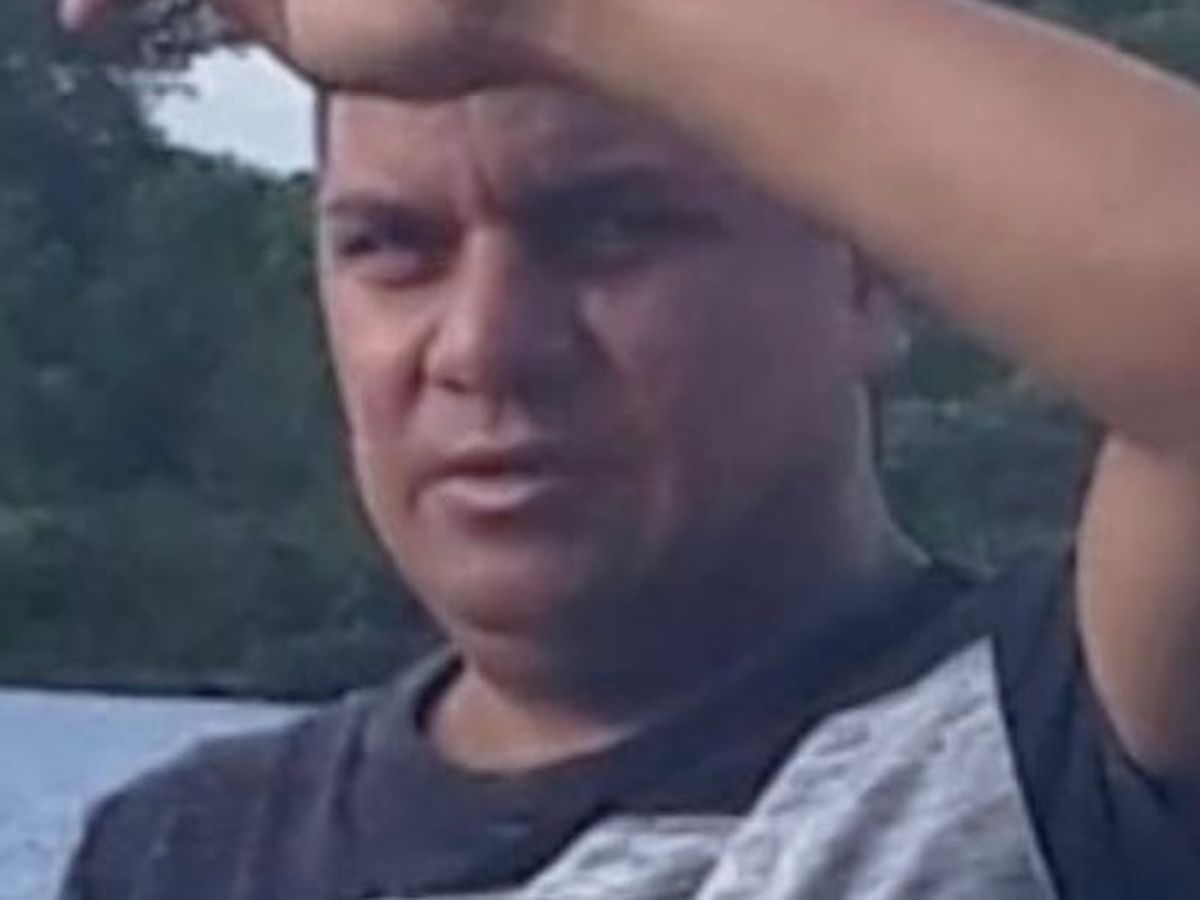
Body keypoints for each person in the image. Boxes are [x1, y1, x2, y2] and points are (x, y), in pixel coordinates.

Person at [55, 0, 1200, 897]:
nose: (485, 346)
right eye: (395, 248)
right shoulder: (185, 852)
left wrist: (530, 5)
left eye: (608, 230)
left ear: (864, 273)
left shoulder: (1071, 745)